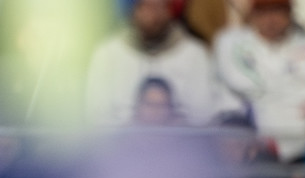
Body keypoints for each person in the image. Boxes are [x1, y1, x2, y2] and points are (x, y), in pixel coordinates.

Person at [213, 0, 305, 160]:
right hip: (249, 150)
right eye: (264, 12)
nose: (271, 19)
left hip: (301, 150)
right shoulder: (231, 43)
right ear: (254, 14)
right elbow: (240, 82)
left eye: (277, 11)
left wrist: (273, 96)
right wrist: (292, 88)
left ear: (290, 13)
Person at [84, 0, 229, 127]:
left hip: (179, 150)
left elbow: (203, 117)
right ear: (133, 9)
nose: (152, 14)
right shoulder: (107, 54)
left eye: (159, 6)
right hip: (122, 150)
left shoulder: (195, 55)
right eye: (145, 5)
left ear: (170, 10)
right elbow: (96, 117)